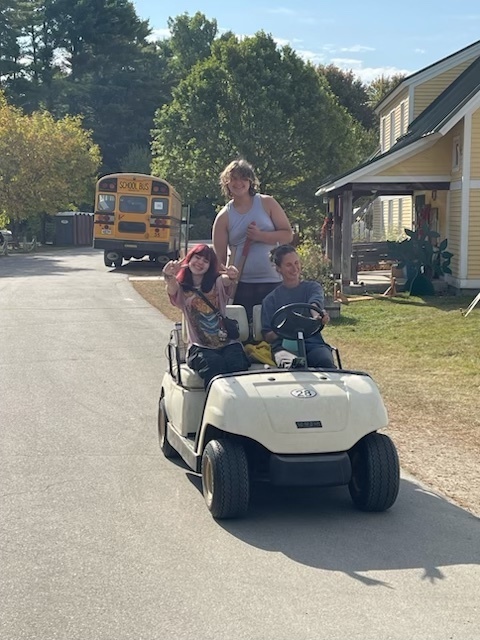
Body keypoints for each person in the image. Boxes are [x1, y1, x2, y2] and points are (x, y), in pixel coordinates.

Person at [212, 158, 293, 321]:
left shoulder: (267, 203)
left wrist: (261, 236)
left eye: (243, 178)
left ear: (250, 181)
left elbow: (287, 235)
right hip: (241, 286)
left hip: (274, 280)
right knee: (244, 334)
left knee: (273, 331)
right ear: (226, 183)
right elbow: (219, 261)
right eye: (233, 179)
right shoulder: (223, 217)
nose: (238, 183)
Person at [163, 243, 250, 389]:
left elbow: (227, 280)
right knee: (214, 365)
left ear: (210, 266)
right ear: (189, 260)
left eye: (206, 261)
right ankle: (213, 407)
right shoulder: (181, 289)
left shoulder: (217, 283)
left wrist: (232, 275)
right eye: (197, 258)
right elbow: (172, 288)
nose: (200, 263)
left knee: (236, 364)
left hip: (227, 343)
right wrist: (168, 275)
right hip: (200, 347)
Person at [261, 244, 335, 369]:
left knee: (325, 361)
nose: (295, 268)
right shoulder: (270, 300)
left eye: (296, 263)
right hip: (283, 346)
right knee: (294, 365)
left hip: (312, 343)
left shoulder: (312, 288)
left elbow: (314, 304)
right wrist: (285, 329)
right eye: (289, 265)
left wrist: (318, 316)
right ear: (279, 268)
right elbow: (268, 335)